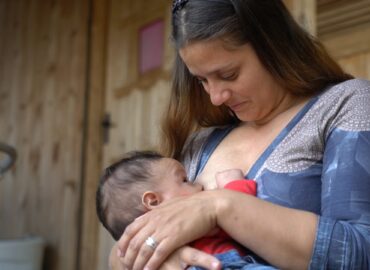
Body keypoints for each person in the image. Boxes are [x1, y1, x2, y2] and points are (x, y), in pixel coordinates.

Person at [112, 0, 370, 269]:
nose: (215, 97)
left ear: (273, 44)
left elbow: (361, 254)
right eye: (202, 81)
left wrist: (218, 207)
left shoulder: (346, 104)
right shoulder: (200, 143)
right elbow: (122, 250)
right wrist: (165, 259)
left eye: (228, 74)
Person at [96, 151, 273, 270]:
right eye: (185, 180)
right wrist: (234, 185)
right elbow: (235, 218)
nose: (200, 184)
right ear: (153, 201)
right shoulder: (185, 230)